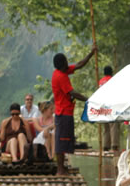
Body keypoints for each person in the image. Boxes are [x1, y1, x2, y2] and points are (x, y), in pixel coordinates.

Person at [51, 45, 97, 175]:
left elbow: (79, 64)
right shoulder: (60, 76)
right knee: (61, 141)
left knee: (65, 140)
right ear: (62, 64)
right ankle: (60, 169)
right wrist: (88, 99)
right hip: (63, 112)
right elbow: (72, 93)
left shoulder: (63, 72)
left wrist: (91, 53)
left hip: (66, 112)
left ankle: (62, 167)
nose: (68, 62)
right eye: (66, 61)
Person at [98, 66, 120, 151]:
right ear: (111, 72)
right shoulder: (114, 79)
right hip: (112, 105)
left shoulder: (101, 81)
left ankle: (105, 146)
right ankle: (114, 145)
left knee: (106, 127)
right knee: (114, 125)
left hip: (103, 105)